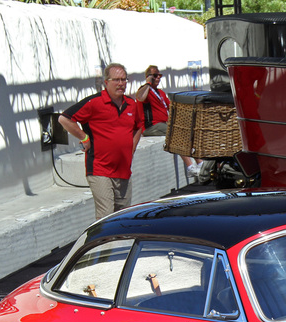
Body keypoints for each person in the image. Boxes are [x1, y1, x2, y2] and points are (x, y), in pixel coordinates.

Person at [59, 63, 143, 220]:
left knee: (123, 217)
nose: (121, 84)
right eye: (116, 80)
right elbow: (64, 118)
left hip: (123, 169)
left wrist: (132, 147)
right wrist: (84, 137)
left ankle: (117, 244)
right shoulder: (94, 103)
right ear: (106, 82)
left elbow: (139, 127)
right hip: (100, 169)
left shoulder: (131, 104)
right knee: (106, 217)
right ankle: (104, 245)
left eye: (124, 80)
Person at [135, 64, 199, 179]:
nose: (158, 78)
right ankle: (190, 167)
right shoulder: (145, 90)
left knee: (186, 131)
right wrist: (148, 83)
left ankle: (200, 162)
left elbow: (171, 107)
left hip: (163, 124)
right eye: (155, 75)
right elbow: (140, 98)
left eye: (159, 75)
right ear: (148, 76)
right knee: (176, 133)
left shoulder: (160, 93)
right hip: (151, 126)